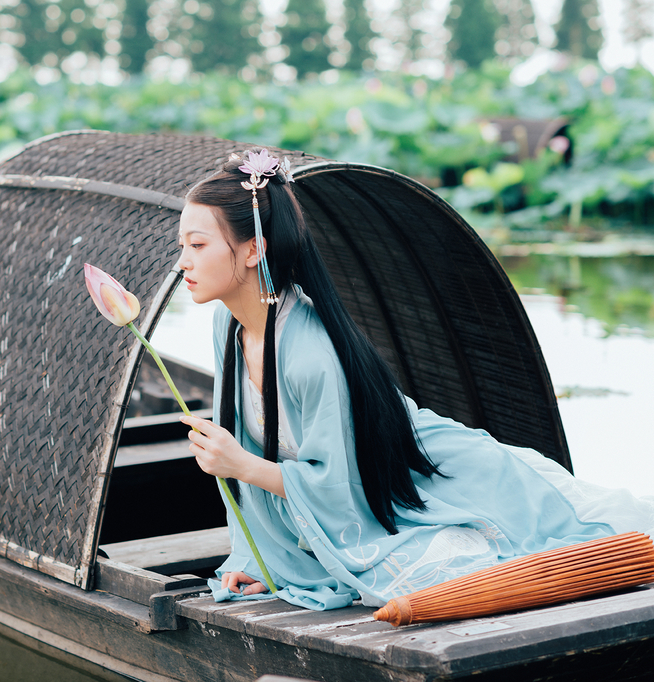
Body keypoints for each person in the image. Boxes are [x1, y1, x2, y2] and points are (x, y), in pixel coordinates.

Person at [175, 149, 654, 611]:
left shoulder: (311, 353)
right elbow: (254, 451)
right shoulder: (229, 325)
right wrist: (268, 561)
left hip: (421, 474)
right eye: (183, 247)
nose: (183, 263)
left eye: (198, 245)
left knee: (532, 549)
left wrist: (240, 465)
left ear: (254, 249)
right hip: (371, 492)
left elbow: (340, 486)